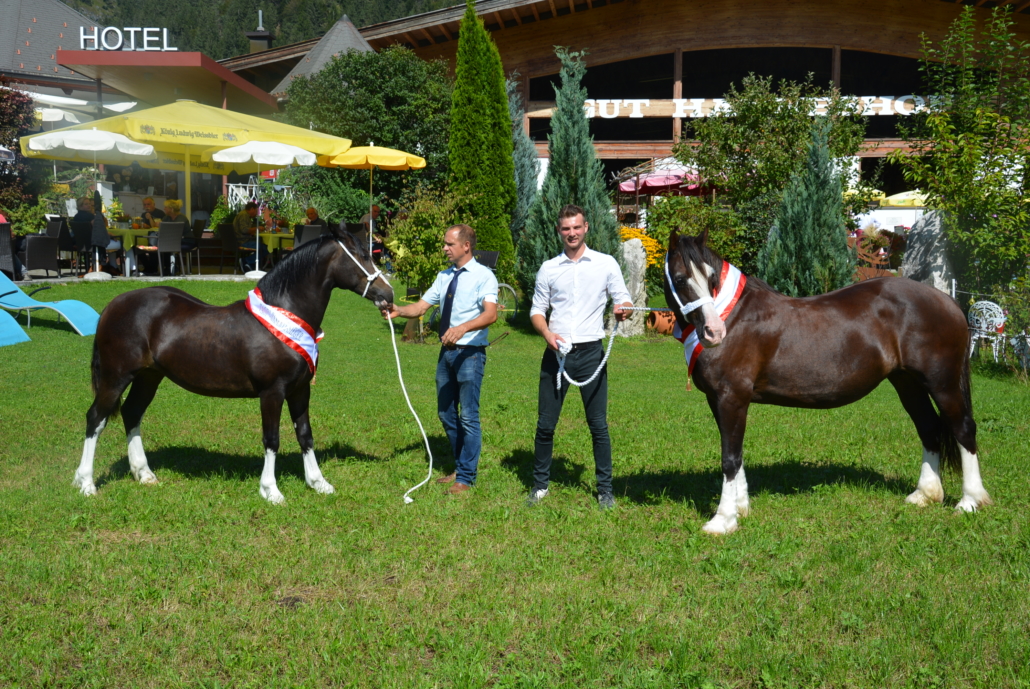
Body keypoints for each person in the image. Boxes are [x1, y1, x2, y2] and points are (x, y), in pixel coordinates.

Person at [528, 204, 633, 510]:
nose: (571, 233)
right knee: (545, 425)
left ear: (586, 227)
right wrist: (547, 335)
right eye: (565, 228)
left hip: (591, 354)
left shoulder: (605, 263)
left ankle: (604, 489)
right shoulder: (549, 268)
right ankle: (540, 486)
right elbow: (537, 311)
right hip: (556, 354)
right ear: (559, 231)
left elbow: (622, 297)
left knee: (598, 425)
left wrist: (622, 308)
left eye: (576, 227)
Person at [381, 225, 498, 495]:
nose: (444, 248)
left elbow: (490, 314)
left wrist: (462, 328)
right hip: (446, 354)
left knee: (468, 416)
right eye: (444, 244)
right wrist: (399, 310)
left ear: (466, 246)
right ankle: (460, 467)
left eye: (449, 244)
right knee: (446, 413)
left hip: (470, 354)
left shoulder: (484, 276)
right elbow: (421, 307)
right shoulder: (444, 276)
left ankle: (466, 477)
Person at [234, 202, 267, 271]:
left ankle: (249, 266)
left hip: (241, 240)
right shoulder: (244, 215)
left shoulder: (244, 214)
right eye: (256, 211)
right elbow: (244, 230)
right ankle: (245, 261)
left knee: (262, 246)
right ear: (252, 209)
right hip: (242, 241)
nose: (256, 214)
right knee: (265, 248)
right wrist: (257, 228)